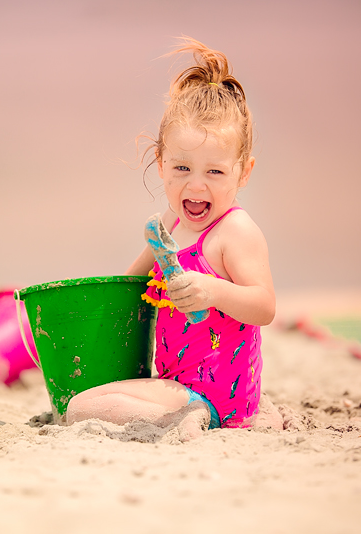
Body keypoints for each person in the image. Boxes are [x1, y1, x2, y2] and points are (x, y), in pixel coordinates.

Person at [65, 37, 281, 439]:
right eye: (182, 168)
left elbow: (265, 306)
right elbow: (132, 284)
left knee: (82, 407)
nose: (195, 186)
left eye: (214, 172)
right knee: (85, 393)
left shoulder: (234, 231)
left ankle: (193, 422)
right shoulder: (172, 224)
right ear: (161, 164)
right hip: (182, 382)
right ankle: (196, 413)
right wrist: (93, 313)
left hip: (212, 392)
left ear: (243, 172)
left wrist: (213, 290)